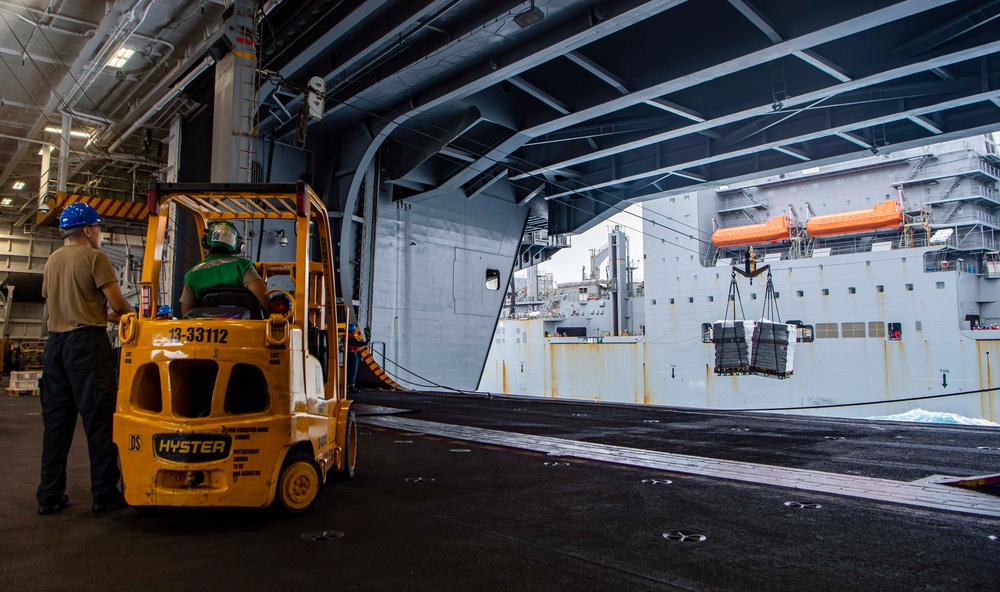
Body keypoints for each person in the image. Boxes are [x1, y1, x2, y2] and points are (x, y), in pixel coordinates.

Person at [38, 202, 134, 515]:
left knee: (57, 424)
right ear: (89, 229)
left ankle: (49, 495)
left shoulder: (53, 260)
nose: (100, 234)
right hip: (86, 347)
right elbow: (120, 306)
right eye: (99, 229)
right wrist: (129, 316)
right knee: (99, 421)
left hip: (55, 347)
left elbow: (62, 302)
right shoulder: (95, 258)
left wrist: (100, 314)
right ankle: (104, 494)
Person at [179, 221, 267, 317]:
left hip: (207, 329)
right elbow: (265, 298)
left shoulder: (191, 274)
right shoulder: (242, 266)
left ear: (205, 242)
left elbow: (186, 314)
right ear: (238, 246)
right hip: (246, 329)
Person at [346, 324, 367, 393]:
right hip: (352, 355)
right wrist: (366, 342)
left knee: (348, 370)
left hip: (347, 355)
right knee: (353, 370)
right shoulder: (351, 338)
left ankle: (347, 386)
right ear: (353, 331)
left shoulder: (346, 337)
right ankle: (351, 386)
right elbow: (358, 344)